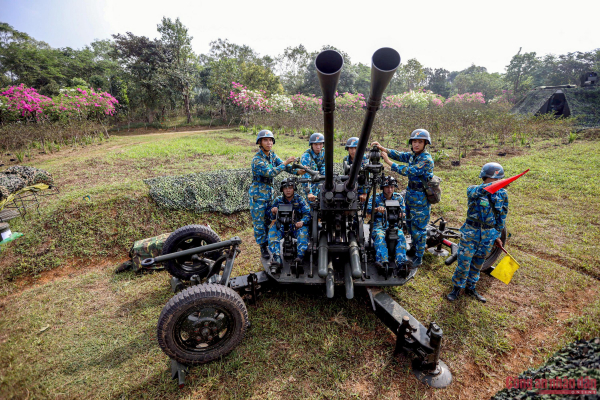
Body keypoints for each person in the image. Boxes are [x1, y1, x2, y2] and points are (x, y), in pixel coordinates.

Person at [447, 162, 509, 303]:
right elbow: (479, 191)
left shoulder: (503, 194)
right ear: (485, 177)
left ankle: (471, 287)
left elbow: (502, 217)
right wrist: (497, 185)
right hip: (471, 233)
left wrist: (497, 235)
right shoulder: (474, 190)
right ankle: (457, 288)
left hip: (488, 235)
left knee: (478, 263)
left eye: (500, 179)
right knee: (464, 262)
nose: (498, 182)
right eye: (496, 179)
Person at [374, 129, 434, 268]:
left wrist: (389, 162)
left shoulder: (426, 159)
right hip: (411, 194)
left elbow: (409, 171)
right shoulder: (414, 155)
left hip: (421, 198)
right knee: (410, 223)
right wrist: (385, 149)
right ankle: (414, 248)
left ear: (426, 143)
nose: (416, 144)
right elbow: (401, 155)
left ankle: (419, 256)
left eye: (420, 142)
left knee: (419, 228)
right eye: (414, 141)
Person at [249, 130, 301, 259]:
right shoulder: (257, 160)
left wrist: (298, 172)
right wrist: (286, 162)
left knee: (270, 218)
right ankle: (263, 247)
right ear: (260, 143)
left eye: (271, 140)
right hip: (258, 195)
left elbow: (285, 167)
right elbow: (271, 172)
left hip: (269, 193)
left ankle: (270, 241)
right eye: (265, 140)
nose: (269, 143)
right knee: (260, 222)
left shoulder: (272, 155)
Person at [365, 176, 412, 273]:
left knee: (401, 237)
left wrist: (401, 214)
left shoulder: (398, 198)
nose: (390, 189)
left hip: (394, 223)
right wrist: (377, 209)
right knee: (380, 237)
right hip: (379, 223)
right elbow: (367, 211)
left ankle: (401, 263)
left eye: (392, 187)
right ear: (383, 187)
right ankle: (382, 262)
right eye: (387, 187)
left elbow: (403, 212)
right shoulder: (376, 198)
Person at [268, 178, 311, 273]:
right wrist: (273, 211)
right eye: (285, 188)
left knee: (303, 232)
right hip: (282, 226)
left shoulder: (300, 200)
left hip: (296, 226)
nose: (288, 190)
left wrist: (302, 222)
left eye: (290, 188)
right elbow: (271, 216)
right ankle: (277, 259)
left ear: (294, 188)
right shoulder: (278, 200)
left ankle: (299, 258)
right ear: (282, 189)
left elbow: (307, 214)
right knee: (272, 231)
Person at [300, 133, 326, 202]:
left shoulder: (324, 153)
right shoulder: (306, 157)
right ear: (311, 145)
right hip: (311, 185)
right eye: (316, 144)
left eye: (320, 144)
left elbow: (325, 169)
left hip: (322, 185)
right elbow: (305, 175)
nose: (318, 147)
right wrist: (309, 193)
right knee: (312, 207)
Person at [343, 137, 369, 202]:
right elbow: (345, 173)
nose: (353, 151)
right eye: (351, 148)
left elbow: (367, 177)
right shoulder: (346, 159)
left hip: (361, 187)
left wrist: (364, 193)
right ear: (348, 149)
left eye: (356, 148)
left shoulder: (365, 159)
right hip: (349, 186)